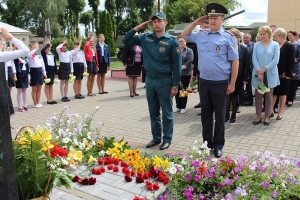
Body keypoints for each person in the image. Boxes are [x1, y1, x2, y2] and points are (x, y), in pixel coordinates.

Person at [181, 3, 239, 158]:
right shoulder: (201, 35)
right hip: (204, 82)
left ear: (222, 19)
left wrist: (232, 83)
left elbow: (235, 62)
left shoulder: (229, 37)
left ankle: (219, 144)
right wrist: (195, 23)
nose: (212, 21)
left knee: (219, 116)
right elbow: (183, 36)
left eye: (216, 18)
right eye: (210, 18)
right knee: (206, 115)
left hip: (220, 83)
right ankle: (207, 143)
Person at [122, 11, 182, 150]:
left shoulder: (172, 41)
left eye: (159, 21)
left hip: (165, 80)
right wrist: (137, 28)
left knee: (167, 112)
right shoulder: (145, 37)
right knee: (153, 111)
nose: (156, 23)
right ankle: (156, 138)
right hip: (150, 80)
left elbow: (177, 66)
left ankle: (167, 139)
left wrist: (175, 85)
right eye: (154, 21)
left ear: (165, 22)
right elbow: (126, 40)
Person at [252, 26, 280, 126]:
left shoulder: (275, 45)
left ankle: (267, 116)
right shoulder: (256, 45)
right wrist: (259, 72)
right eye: (261, 34)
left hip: (269, 74)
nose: (262, 36)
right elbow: (254, 59)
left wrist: (264, 69)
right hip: (258, 74)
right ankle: (258, 115)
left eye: (264, 34)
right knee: (258, 96)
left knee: (268, 96)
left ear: (269, 34)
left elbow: (275, 60)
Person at [0, 27, 30, 116]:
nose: (4, 46)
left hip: (3, 84)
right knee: (6, 115)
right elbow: (26, 50)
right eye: (2, 44)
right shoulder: (1, 55)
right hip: (2, 86)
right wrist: (12, 38)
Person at [225, 28, 250, 123]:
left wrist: (245, 78)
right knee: (227, 96)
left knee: (234, 96)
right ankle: (226, 114)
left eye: (235, 36)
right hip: (226, 75)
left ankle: (233, 115)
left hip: (238, 76)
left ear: (239, 38)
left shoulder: (243, 48)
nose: (233, 38)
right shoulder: (226, 46)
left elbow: (247, 64)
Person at [271, 28, 294, 120]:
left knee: (283, 93)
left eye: (276, 37)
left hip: (285, 74)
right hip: (275, 73)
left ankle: (280, 112)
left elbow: (291, 61)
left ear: (281, 36)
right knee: (274, 93)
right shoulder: (275, 45)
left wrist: (289, 73)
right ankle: (271, 110)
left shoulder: (289, 46)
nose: (275, 38)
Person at [193, 20, 210, 113]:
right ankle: (202, 104)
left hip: (212, 71)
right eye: (204, 27)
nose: (206, 29)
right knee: (201, 89)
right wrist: (195, 72)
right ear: (201, 28)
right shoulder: (198, 40)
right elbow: (196, 58)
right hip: (201, 70)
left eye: (208, 27)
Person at [174, 37, 194, 114]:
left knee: (183, 90)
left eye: (182, 41)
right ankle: (178, 106)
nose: (181, 42)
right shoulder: (175, 50)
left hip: (185, 74)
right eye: (179, 41)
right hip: (176, 74)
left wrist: (180, 68)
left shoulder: (189, 51)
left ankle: (183, 107)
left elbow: (189, 61)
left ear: (185, 42)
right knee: (176, 89)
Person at [27, 41, 47, 108]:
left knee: (39, 88)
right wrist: (36, 48)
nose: (36, 48)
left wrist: (44, 73)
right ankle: (35, 103)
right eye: (34, 47)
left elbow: (42, 64)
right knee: (34, 89)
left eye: (36, 47)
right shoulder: (29, 55)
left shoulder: (39, 55)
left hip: (39, 71)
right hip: (34, 71)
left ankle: (38, 102)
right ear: (30, 48)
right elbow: (30, 54)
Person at [41, 39, 58, 104]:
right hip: (47, 71)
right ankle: (48, 99)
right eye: (47, 47)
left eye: (49, 47)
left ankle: (51, 98)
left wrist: (56, 73)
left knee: (51, 85)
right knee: (47, 85)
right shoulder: (44, 54)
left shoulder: (52, 54)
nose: (48, 48)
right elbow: (42, 50)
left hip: (52, 70)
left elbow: (54, 64)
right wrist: (47, 44)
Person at [14, 48, 30, 112]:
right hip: (19, 74)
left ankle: (25, 105)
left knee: (25, 90)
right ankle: (19, 106)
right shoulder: (16, 58)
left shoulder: (25, 58)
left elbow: (27, 67)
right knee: (19, 90)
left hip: (25, 74)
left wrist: (29, 77)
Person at [287, 31, 300, 107]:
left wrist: (297, 60)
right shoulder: (286, 45)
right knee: (287, 84)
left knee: (293, 84)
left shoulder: (298, 46)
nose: (289, 37)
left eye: (290, 35)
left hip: (295, 67)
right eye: (288, 36)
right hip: (287, 67)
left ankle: (290, 99)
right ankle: (286, 98)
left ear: (295, 36)